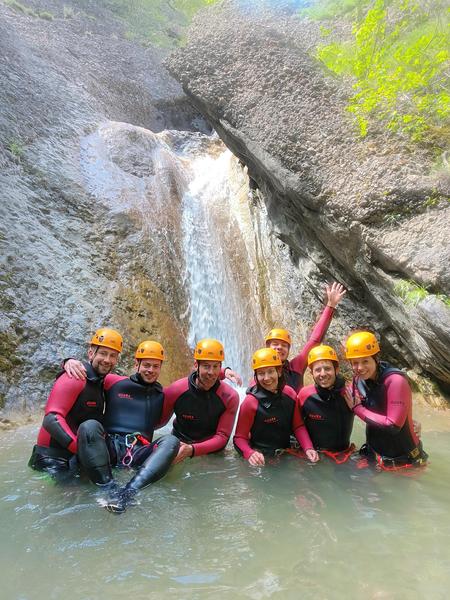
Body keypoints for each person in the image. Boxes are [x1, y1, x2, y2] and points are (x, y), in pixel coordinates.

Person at [63, 340, 180, 513]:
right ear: (136, 364)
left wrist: (221, 372)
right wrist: (68, 361)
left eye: (156, 366)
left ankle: (129, 492)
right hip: (109, 447)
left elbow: (192, 384)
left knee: (171, 441)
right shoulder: (113, 381)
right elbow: (91, 371)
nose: (150, 370)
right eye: (146, 365)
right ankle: (108, 489)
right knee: (89, 426)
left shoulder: (162, 394)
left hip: (138, 451)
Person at [28, 327, 123, 483]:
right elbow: (51, 419)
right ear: (91, 353)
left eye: (112, 356)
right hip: (51, 461)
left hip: (72, 459)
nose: (107, 360)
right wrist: (85, 451)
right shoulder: (74, 376)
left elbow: (134, 382)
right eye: (103, 353)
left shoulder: (102, 381)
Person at [343, 331, 428, 470]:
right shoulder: (358, 381)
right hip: (374, 456)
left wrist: (358, 409)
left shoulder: (395, 381)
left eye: (365, 361)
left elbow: (393, 426)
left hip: (405, 462)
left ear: (375, 358)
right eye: (355, 363)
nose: (360, 368)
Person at [233, 348, 319, 466]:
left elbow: (298, 426)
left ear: (279, 371)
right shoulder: (250, 402)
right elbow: (239, 438)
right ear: (256, 376)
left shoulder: (290, 394)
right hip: (261, 458)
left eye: (270, 371)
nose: (266, 378)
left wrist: (308, 448)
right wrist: (250, 453)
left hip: (286, 454)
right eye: (261, 373)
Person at [160, 338, 240, 464]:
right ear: (196, 365)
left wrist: (192, 450)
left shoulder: (230, 396)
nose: (211, 372)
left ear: (220, 367)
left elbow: (222, 437)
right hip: (178, 445)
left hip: (211, 453)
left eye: (215, 366)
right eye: (206, 366)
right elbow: (159, 422)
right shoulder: (176, 390)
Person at [264, 282, 346, 392]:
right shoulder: (261, 374)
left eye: (284, 345)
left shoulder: (295, 367)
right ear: (267, 348)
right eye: (275, 344)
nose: (279, 347)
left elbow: (314, 340)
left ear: (288, 350)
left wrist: (330, 305)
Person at [297, 345, 355, 462]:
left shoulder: (349, 393)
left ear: (336, 370)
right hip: (315, 455)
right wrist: (308, 448)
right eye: (317, 370)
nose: (322, 374)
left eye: (327, 368)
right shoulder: (305, 395)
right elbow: (297, 425)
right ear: (311, 373)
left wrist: (357, 408)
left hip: (344, 454)